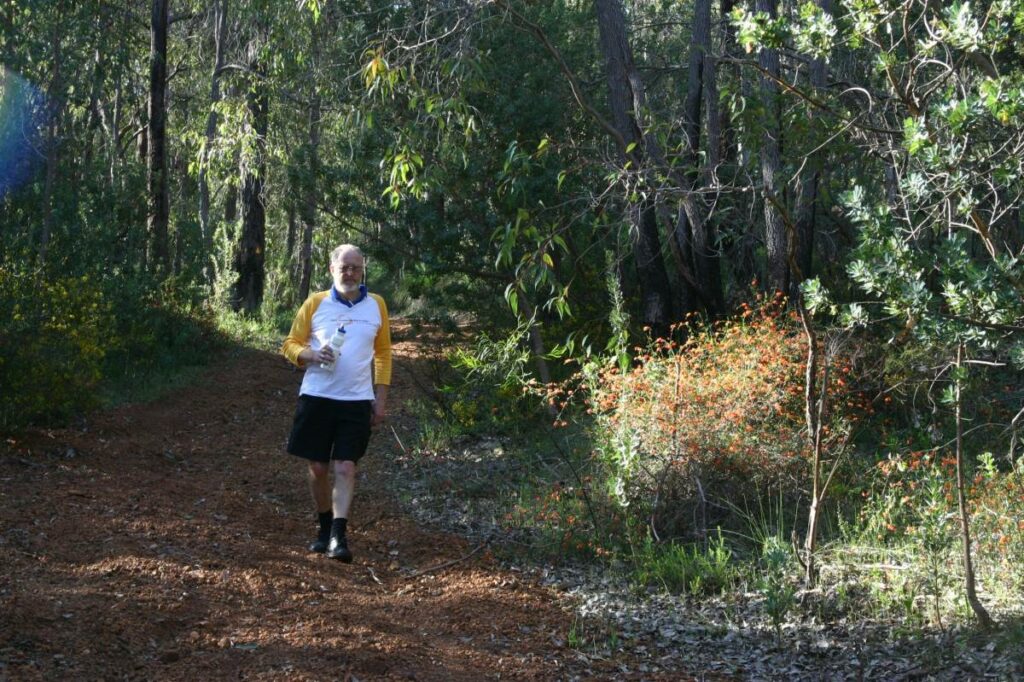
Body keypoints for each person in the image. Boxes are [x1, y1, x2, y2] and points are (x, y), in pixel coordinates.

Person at [281, 244, 391, 562]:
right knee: (317, 467)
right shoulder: (316, 303)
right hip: (316, 396)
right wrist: (311, 354)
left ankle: (338, 538)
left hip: (356, 400)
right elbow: (289, 344)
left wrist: (380, 399)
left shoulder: (376, 305)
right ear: (332, 269)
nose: (350, 273)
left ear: (363, 270)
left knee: (345, 467)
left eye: (356, 267)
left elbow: (383, 353)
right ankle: (324, 526)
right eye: (344, 267)